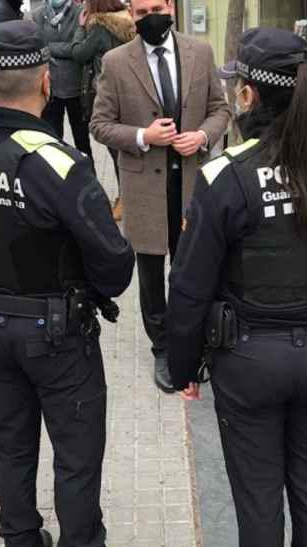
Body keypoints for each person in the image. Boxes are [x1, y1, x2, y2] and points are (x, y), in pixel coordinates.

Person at [167, 27, 307, 547]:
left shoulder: (227, 176)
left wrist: (182, 365)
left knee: (258, 495)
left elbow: (190, 284)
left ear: (248, 96)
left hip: (249, 360)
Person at [0, 20, 137, 547]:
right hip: (59, 336)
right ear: (47, 80)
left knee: (13, 445)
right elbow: (116, 263)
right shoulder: (56, 162)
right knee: (75, 456)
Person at [90, 0, 230, 393]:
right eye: (140, 11)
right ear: (130, 15)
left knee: (193, 267)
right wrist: (142, 137)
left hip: (192, 183)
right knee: (152, 274)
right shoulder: (116, 62)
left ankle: (199, 339)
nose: (150, 16)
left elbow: (221, 109)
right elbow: (100, 124)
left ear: (170, 6)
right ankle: (164, 347)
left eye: (157, 7)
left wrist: (202, 135)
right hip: (145, 187)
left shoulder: (199, 51)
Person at [50, 0, 135, 206]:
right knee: (123, 148)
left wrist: (80, 27)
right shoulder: (127, 22)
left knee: (115, 149)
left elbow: (79, 53)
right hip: (128, 92)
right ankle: (129, 197)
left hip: (106, 93)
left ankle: (125, 201)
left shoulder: (99, 27)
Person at [32, 0, 92, 158]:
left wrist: (50, 48)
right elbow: (37, 46)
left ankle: (88, 176)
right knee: (52, 141)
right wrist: (65, 47)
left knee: (82, 141)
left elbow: (78, 48)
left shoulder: (81, 12)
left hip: (76, 87)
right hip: (50, 88)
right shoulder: (38, 14)